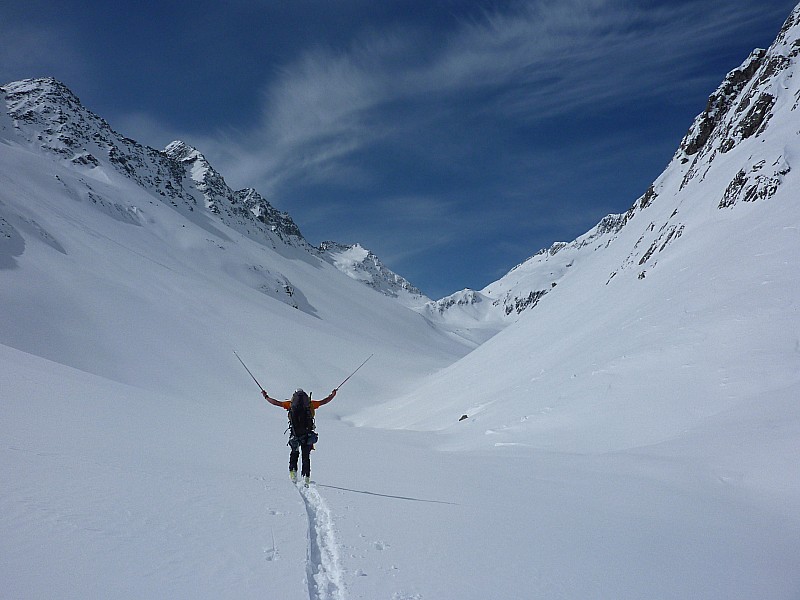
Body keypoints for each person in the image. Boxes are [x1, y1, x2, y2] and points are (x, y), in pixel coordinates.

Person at [262, 387, 337, 485]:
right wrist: (332, 395)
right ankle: (306, 477)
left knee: (294, 453)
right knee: (306, 456)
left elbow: (276, 403)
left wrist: (266, 396)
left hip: (295, 434)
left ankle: (293, 473)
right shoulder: (310, 404)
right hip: (307, 435)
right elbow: (324, 401)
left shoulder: (290, 404)